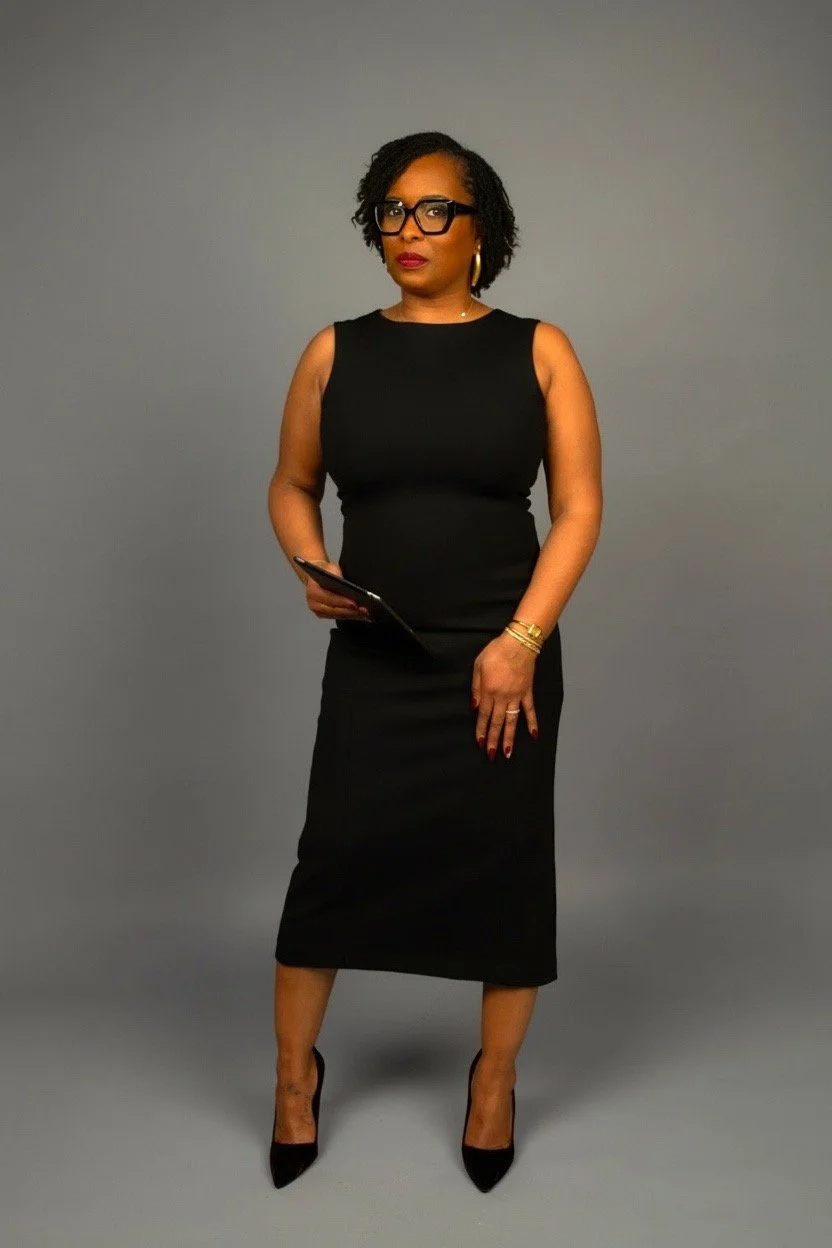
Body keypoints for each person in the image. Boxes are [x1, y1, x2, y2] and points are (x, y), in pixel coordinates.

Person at [265, 130, 602, 1191]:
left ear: (480, 229)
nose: (407, 230)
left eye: (434, 210)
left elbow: (580, 509)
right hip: (377, 652)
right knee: (331, 865)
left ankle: (495, 1080)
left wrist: (520, 642)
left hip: (503, 655)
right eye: (392, 211)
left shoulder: (540, 350)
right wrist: (311, 561)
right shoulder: (333, 352)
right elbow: (291, 484)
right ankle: (292, 1076)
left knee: (506, 868)